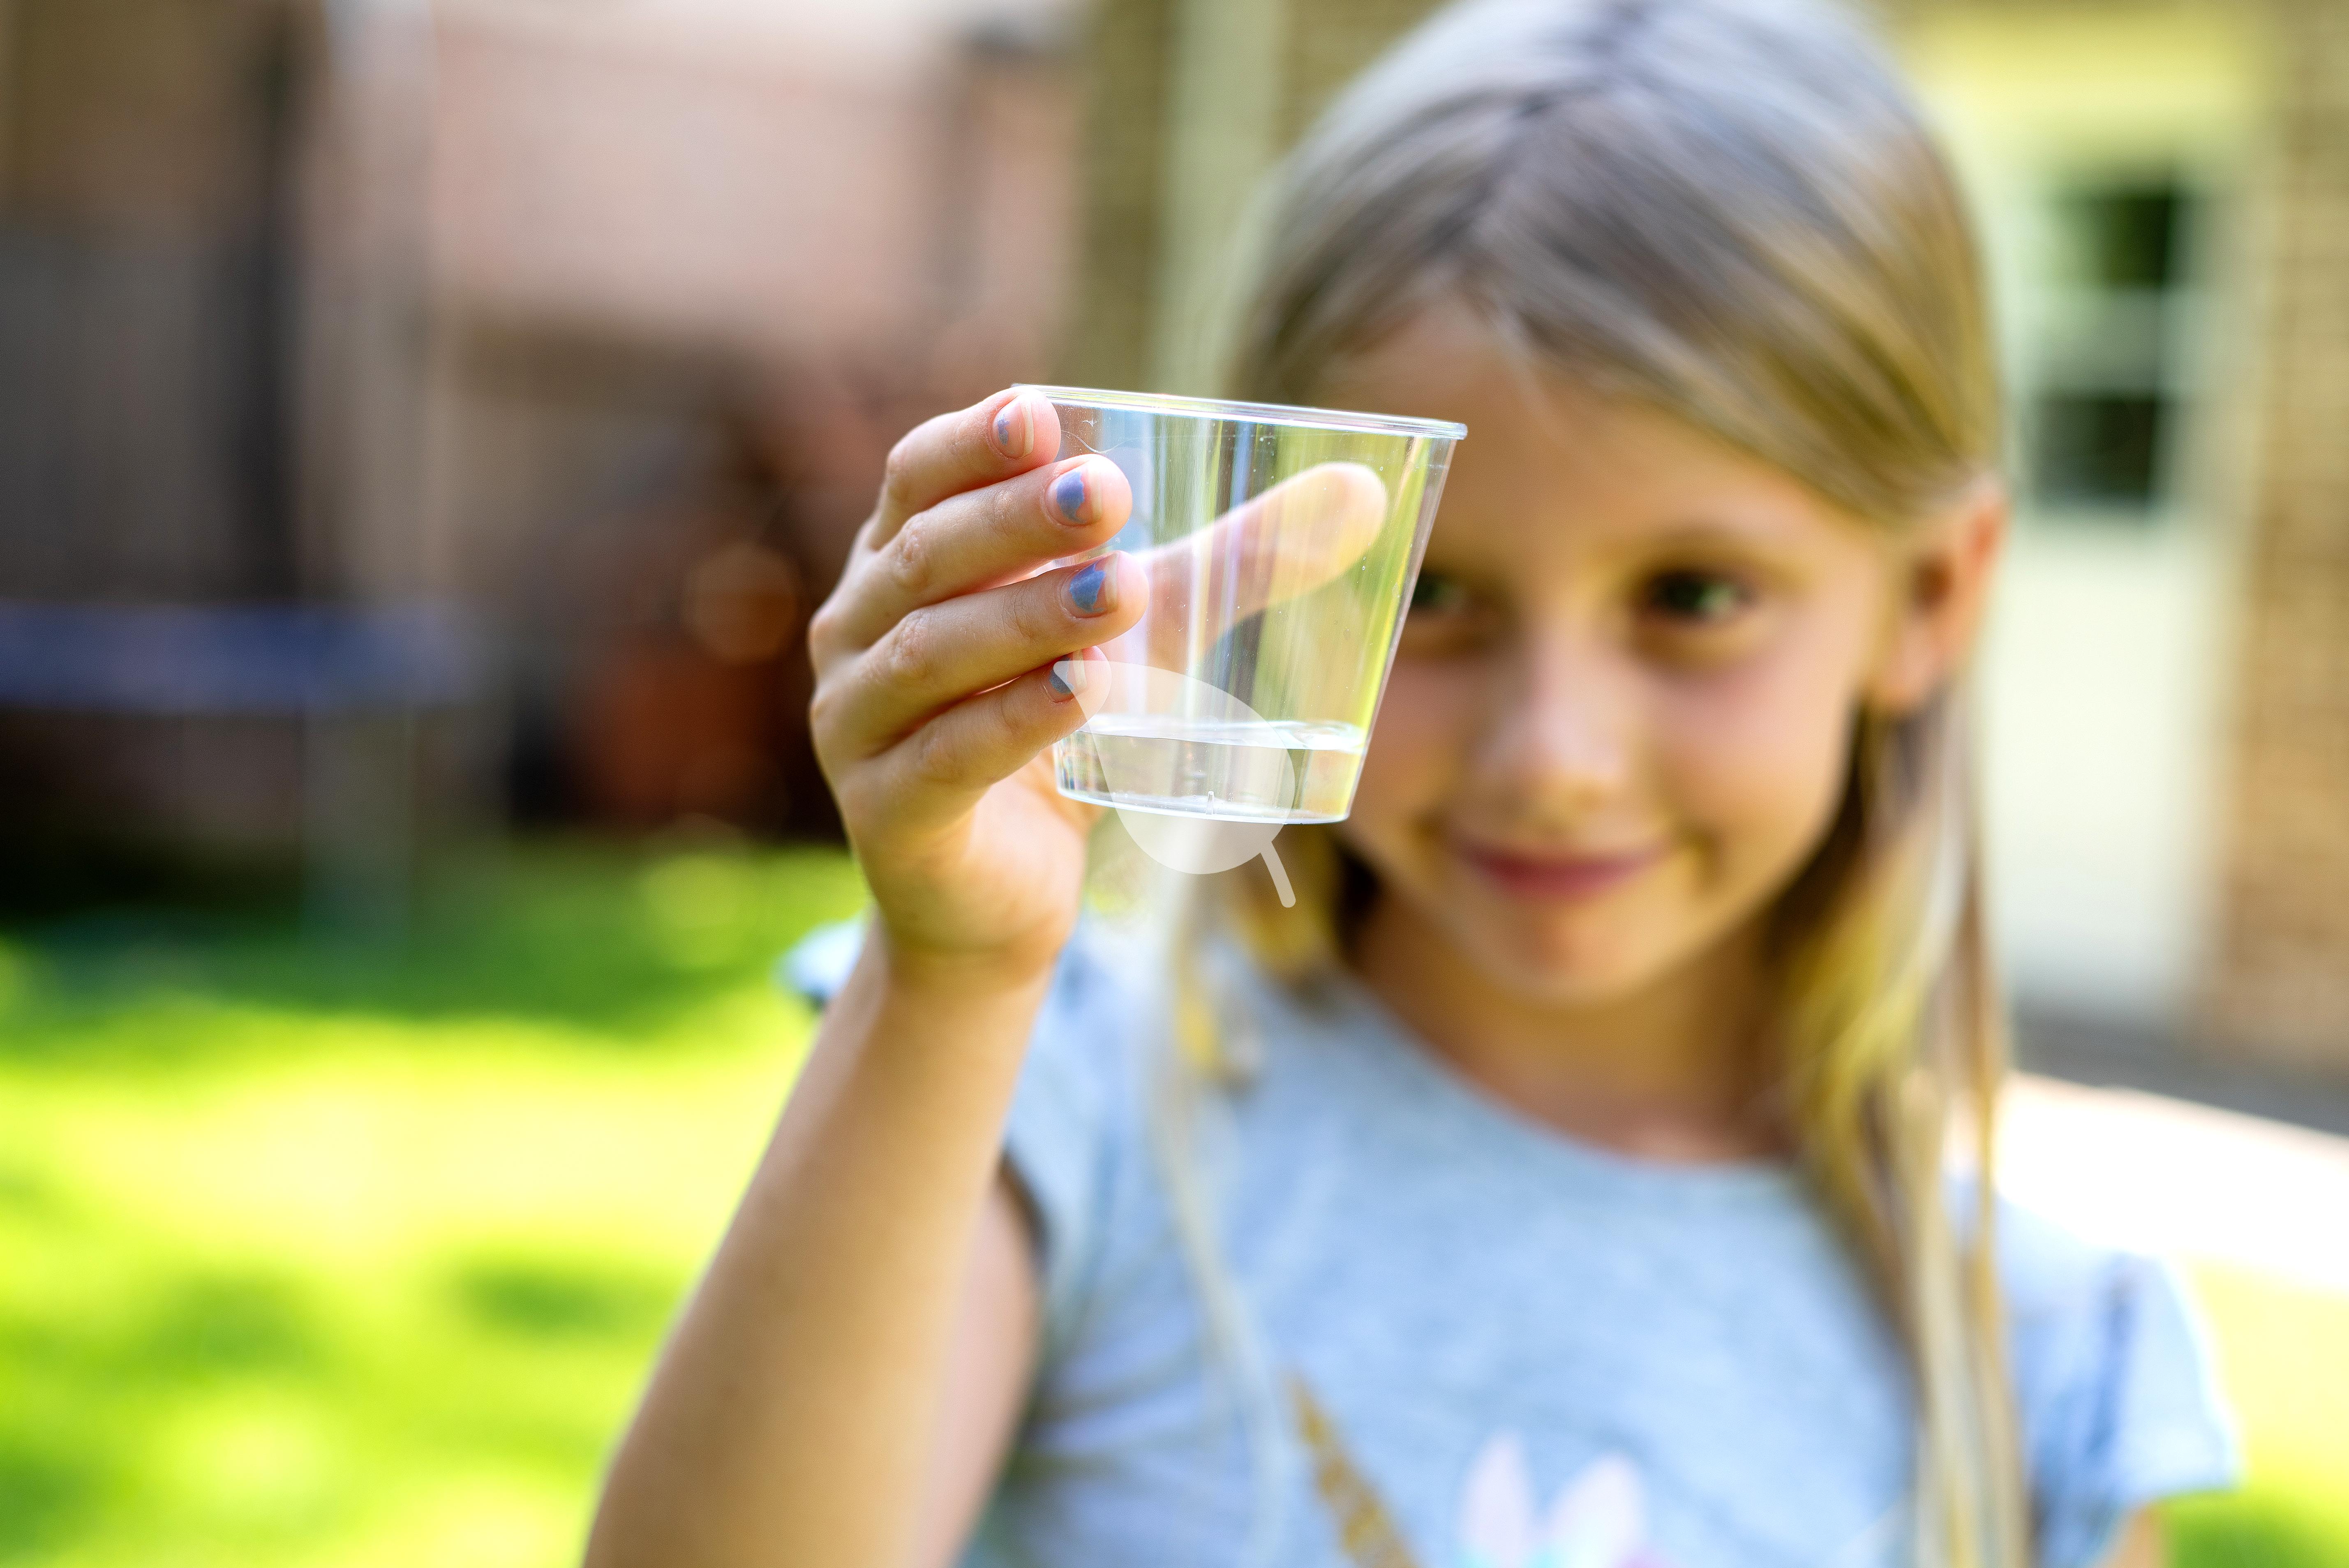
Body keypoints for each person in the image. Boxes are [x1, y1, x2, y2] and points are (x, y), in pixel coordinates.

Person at [583, 2, 2238, 1565]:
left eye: (1692, 599)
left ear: (1933, 595)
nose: (1553, 759)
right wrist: (948, 982)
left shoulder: (2044, 1366)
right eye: (1430, 596)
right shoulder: (1061, 1105)